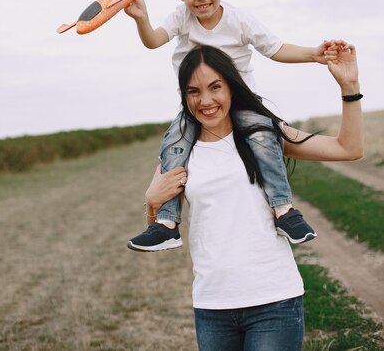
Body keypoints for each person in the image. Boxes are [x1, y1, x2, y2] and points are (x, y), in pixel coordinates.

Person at [140, 43, 363, 351]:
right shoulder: (179, 151)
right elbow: (160, 224)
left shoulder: (264, 133)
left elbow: (348, 149)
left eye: (215, 87)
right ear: (184, 96)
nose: (205, 101)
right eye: (193, 91)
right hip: (212, 305)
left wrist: (349, 87)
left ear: (231, 86)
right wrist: (150, 200)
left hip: (274, 301)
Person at [125, 0, 332, 250]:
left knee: (262, 136)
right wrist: (141, 18)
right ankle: (167, 223)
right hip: (197, 104)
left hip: (241, 101)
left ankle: (284, 210)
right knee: (174, 142)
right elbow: (154, 40)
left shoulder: (239, 20)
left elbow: (275, 49)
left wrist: (314, 55)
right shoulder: (181, 17)